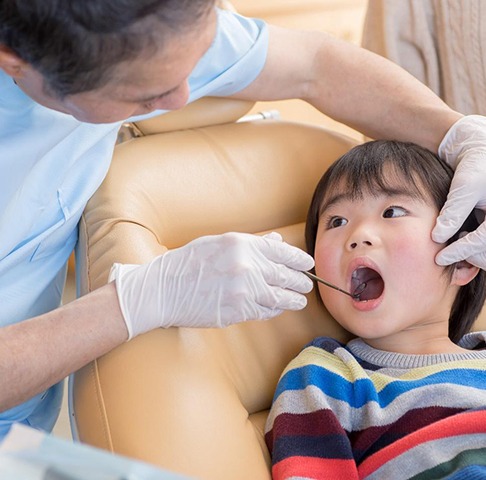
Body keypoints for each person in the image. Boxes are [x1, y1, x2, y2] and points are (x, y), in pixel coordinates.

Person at [1, 0, 486, 438]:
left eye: (393, 212)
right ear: (14, 60)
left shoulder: (144, 24)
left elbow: (316, 66)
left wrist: (456, 132)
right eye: (146, 93)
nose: (185, 96)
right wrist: (132, 304)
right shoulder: (325, 389)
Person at [265, 140, 486, 479]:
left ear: (464, 258)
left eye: (392, 213)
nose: (358, 236)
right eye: (336, 221)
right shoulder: (326, 377)